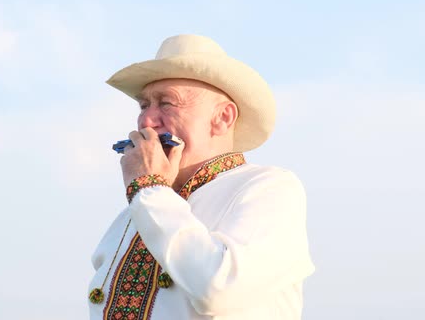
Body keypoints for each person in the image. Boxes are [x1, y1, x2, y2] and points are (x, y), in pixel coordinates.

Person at [88, 34, 315, 319]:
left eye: (167, 103)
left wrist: (148, 188)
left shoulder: (269, 189)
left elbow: (219, 290)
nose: (147, 120)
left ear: (222, 118)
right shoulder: (131, 214)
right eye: (144, 105)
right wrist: (148, 192)